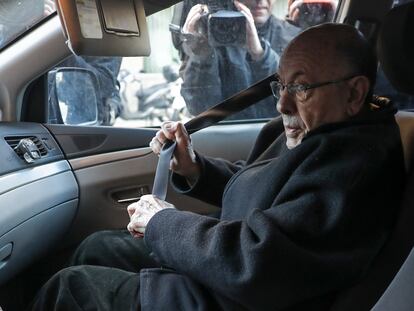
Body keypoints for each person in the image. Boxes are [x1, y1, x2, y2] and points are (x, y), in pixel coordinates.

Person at [29, 23, 405, 310]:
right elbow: (263, 186)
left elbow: (257, 263)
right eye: (281, 86)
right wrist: (194, 168)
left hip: (232, 298)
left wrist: (162, 222)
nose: (282, 106)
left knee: (72, 288)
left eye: (301, 88)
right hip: (225, 275)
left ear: (354, 93)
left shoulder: (354, 167)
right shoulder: (322, 130)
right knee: (98, 247)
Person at [177, 0, 301, 119]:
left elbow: (297, 99)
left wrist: (259, 52)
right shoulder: (209, 36)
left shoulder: (293, 36)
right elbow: (200, 108)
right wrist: (202, 56)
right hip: (228, 135)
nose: (260, 0)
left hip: (278, 132)